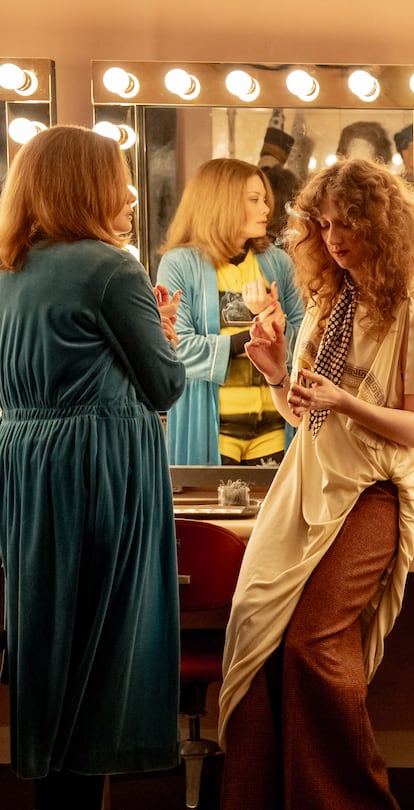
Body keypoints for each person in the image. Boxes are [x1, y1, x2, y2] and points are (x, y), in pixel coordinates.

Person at [217, 158, 414, 809]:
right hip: (304, 485)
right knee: (257, 638)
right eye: (324, 224)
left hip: (371, 494)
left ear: (381, 225)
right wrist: (272, 375)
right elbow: (307, 416)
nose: (335, 236)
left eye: (348, 222)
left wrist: (345, 402)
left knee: (312, 645)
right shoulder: (328, 302)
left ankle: (351, 799)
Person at [0, 125, 186, 809]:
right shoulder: (111, 268)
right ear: (88, 185)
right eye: (117, 177)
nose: (131, 193)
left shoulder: (9, 269)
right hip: (100, 467)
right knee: (105, 649)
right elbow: (164, 386)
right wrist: (165, 338)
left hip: (26, 468)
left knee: (50, 641)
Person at [157, 158, 305, 465]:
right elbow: (176, 348)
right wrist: (253, 338)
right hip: (210, 432)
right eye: (254, 200)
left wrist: (277, 325)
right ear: (219, 202)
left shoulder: (279, 263)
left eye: (265, 200)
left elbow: (305, 348)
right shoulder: (179, 264)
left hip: (276, 432)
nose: (266, 209)